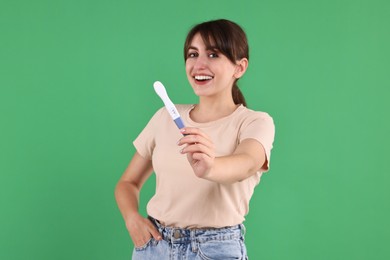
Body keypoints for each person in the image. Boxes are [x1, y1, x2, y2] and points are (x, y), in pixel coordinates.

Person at [115, 19, 275, 259]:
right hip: (154, 246)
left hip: (215, 249)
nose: (198, 64)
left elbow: (247, 163)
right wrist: (131, 218)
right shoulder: (164, 118)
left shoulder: (254, 122)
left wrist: (211, 166)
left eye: (213, 55)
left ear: (239, 68)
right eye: (193, 54)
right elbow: (127, 183)